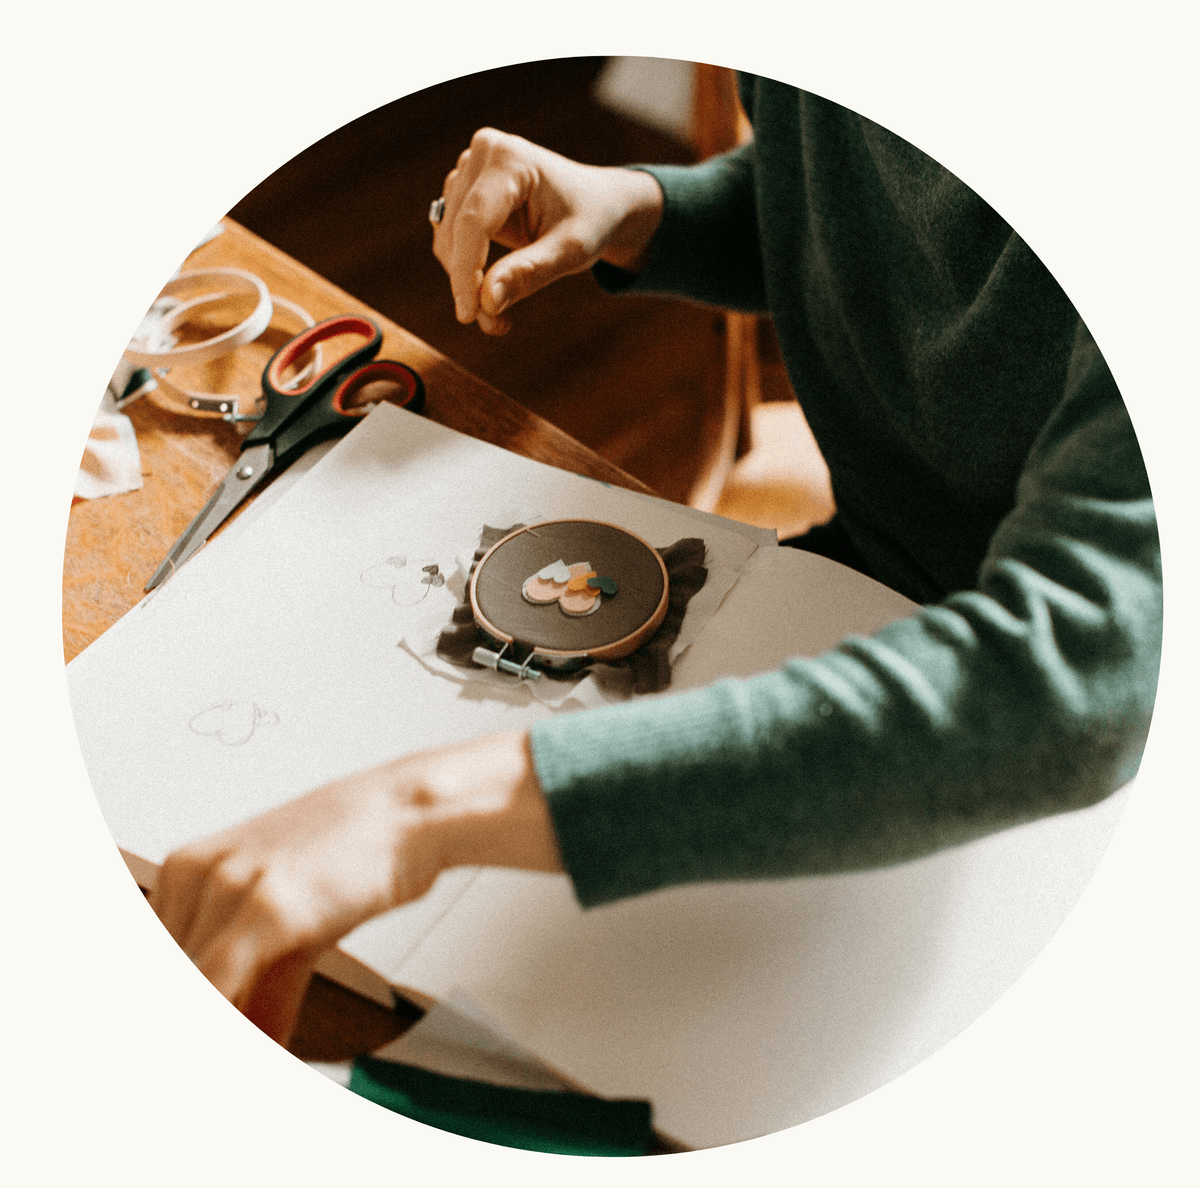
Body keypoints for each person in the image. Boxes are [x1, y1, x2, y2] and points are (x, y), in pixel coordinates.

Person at [150, 76, 1161, 1047]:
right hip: (861, 588)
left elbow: (1073, 685)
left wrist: (415, 811)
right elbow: (856, 211)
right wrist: (637, 208)